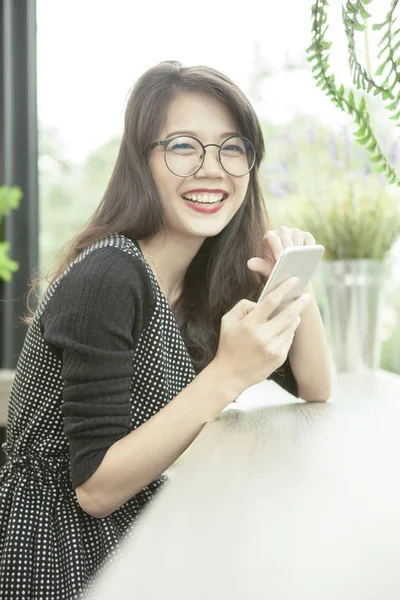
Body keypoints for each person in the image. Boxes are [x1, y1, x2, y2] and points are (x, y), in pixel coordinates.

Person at [0, 60, 332, 599]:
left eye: (232, 148)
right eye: (183, 147)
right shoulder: (108, 275)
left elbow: (316, 389)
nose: (212, 168)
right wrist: (227, 374)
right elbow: (94, 489)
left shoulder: (204, 282)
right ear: (141, 161)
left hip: (131, 528)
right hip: (50, 547)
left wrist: (297, 284)